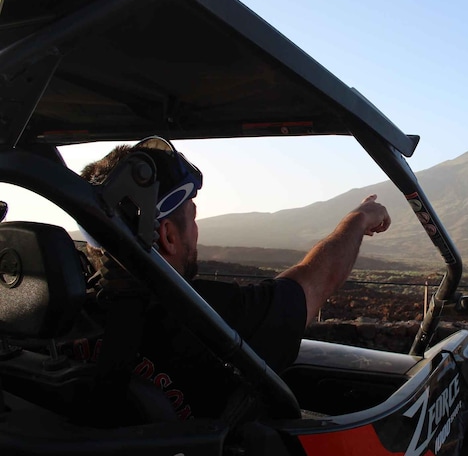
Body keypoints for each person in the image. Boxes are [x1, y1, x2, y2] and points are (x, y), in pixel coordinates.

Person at [76, 136, 391, 419]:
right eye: (192, 217)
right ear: (168, 236)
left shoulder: (58, 316)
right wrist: (358, 219)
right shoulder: (207, 319)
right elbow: (312, 284)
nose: (196, 231)